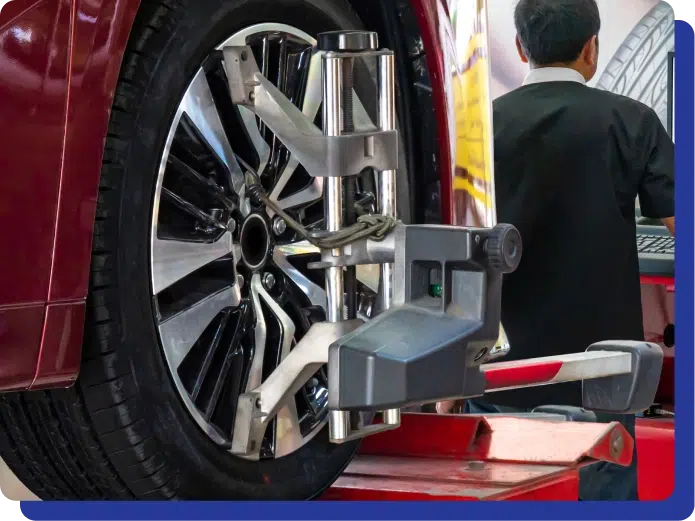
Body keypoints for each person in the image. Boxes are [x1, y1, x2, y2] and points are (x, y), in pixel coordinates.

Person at [437, 0, 675, 501]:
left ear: (521, 48)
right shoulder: (633, 121)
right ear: (592, 49)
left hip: (500, 375)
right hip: (605, 377)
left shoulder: (475, 132)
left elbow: (449, 253)